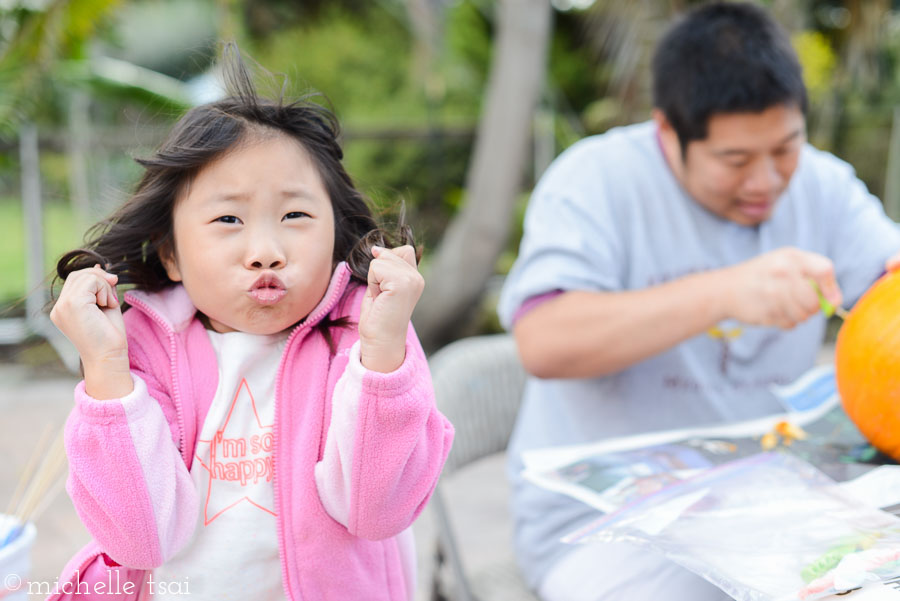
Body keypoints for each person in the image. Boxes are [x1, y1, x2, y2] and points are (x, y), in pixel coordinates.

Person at [497, 3, 900, 600]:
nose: (765, 181)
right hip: (603, 529)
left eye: (786, 148)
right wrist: (725, 292)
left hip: (780, 501)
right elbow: (544, 340)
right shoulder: (595, 180)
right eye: (734, 161)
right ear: (668, 132)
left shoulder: (825, 187)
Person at [48, 48, 454, 601]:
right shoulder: (141, 348)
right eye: (228, 219)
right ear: (170, 254)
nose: (265, 252)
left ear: (335, 234)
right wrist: (107, 371)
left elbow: (375, 513)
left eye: (295, 216)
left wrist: (382, 359)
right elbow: (141, 542)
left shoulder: (367, 337)